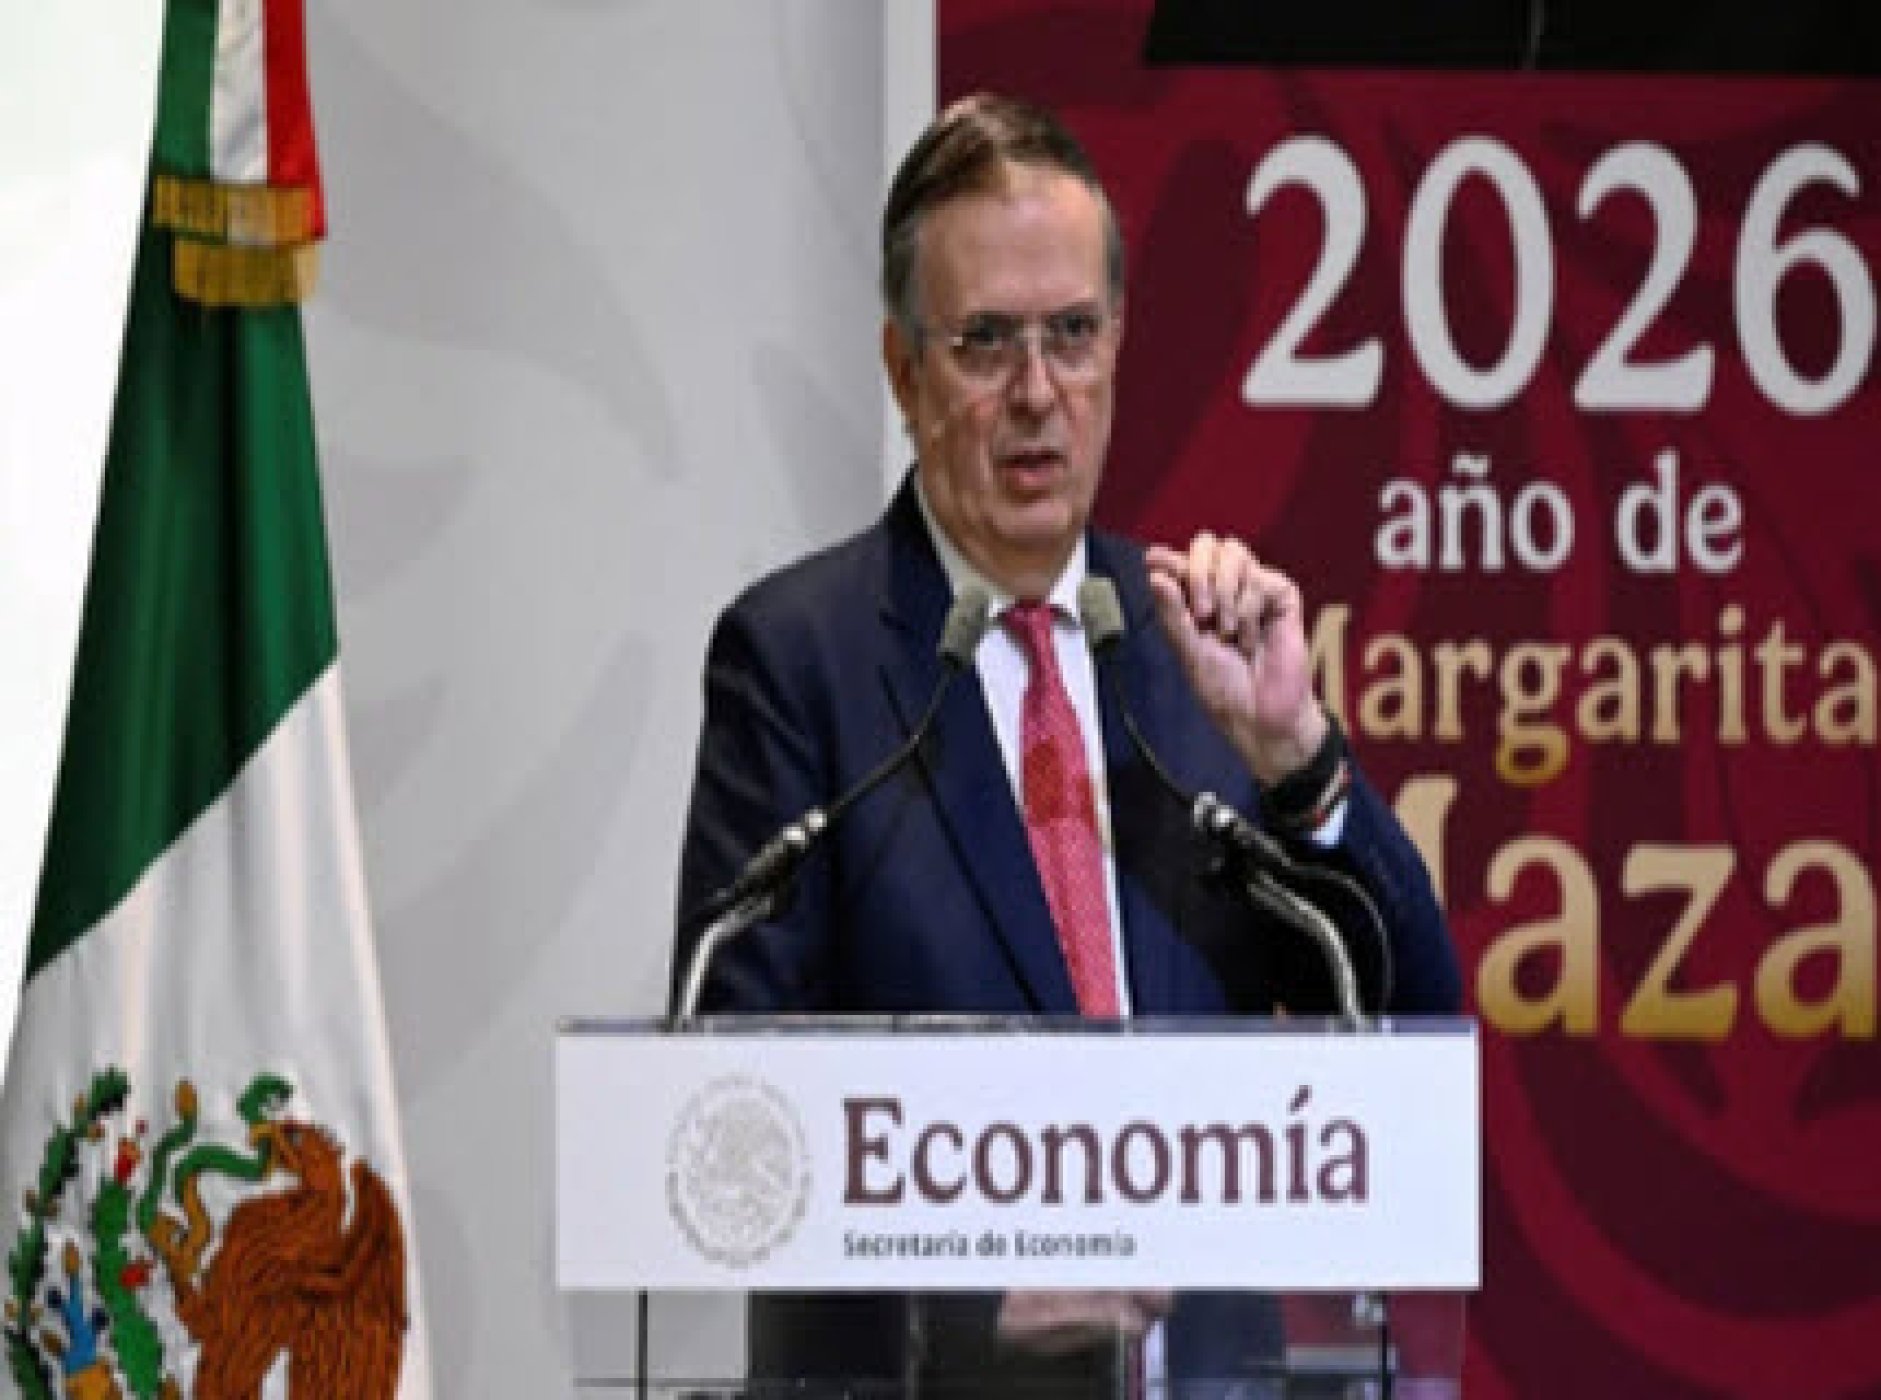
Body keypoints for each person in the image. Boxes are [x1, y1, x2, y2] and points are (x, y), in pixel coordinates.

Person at [673, 92, 1462, 1396]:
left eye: (1071, 335)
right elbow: (729, 1112)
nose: (1036, 391)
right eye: (984, 341)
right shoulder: (799, 661)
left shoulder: (1191, 652)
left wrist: (1297, 757)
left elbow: (1415, 1030)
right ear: (902, 370)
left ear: (1116, 349)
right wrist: (971, 1273)